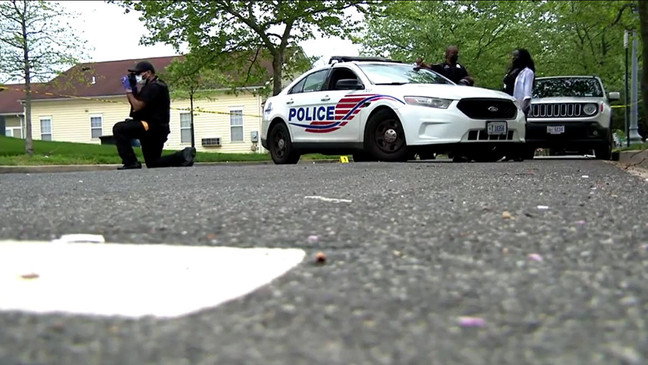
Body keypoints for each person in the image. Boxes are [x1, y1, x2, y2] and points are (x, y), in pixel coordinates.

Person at [113, 60, 195, 170]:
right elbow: (136, 104)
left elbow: (137, 106)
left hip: (152, 127)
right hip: (156, 129)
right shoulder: (153, 86)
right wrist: (133, 90)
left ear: (148, 72)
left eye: (138, 74)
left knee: (119, 128)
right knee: (153, 162)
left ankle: (130, 162)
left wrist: (128, 90)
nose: (136, 76)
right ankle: (183, 155)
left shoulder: (154, 87)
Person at [502, 48, 535, 116]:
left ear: (522, 57)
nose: (514, 58)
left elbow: (527, 95)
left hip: (518, 106)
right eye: (513, 56)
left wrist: (522, 111)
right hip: (507, 104)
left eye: (516, 56)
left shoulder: (528, 72)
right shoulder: (510, 72)